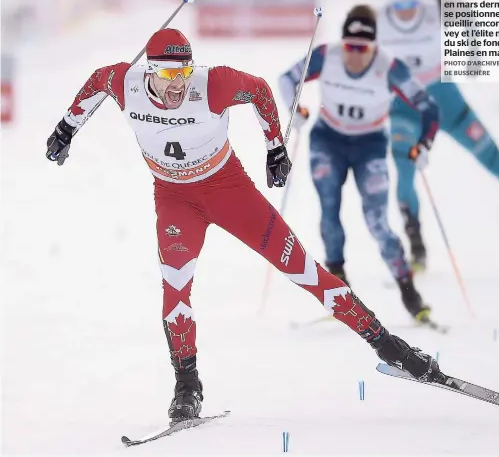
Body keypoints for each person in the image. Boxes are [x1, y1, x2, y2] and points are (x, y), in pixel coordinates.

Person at [45, 28, 441, 422]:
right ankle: (187, 385)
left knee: (305, 272)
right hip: (175, 199)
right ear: (149, 72)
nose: (178, 85)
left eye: (184, 73)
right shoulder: (125, 82)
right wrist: (66, 128)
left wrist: (275, 148)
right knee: (175, 291)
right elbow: (96, 82)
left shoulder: (212, 84)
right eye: (167, 76)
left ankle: (391, 348)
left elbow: (259, 90)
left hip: (229, 192)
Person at [378, 0, 499, 270]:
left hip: (446, 101)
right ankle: (417, 243)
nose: (406, 13)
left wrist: (474, 54)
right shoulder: (376, 22)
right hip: (405, 108)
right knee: (405, 168)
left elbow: (480, 19)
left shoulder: (435, 7)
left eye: (411, 4)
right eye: (399, 6)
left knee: (494, 160)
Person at [278, 5, 439, 320]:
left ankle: (410, 294)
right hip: (329, 141)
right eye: (349, 46)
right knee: (329, 209)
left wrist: (425, 145)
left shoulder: (389, 66)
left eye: (361, 48)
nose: (353, 55)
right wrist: (294, 111)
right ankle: (339, 285)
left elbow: (428, 106)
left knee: (378, 222)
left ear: (374, 47)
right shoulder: (327, 55)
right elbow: (287, 80)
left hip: (370, 146)